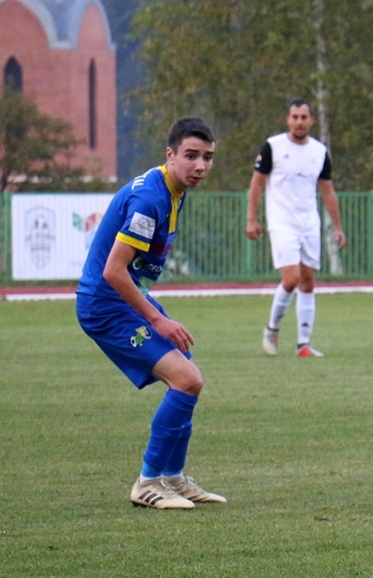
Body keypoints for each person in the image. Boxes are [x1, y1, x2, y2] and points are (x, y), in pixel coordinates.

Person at [76, 117, 226, 510]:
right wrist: (158, 318)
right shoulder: (150, 200)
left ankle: (173, 478)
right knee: (186, 378)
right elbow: (113, 271)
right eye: (191, 156)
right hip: (105, 305)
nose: (200, 166)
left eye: (208, 157)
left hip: (123, 298)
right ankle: (147, 482)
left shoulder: (173, 189)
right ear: (170, 155)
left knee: (188, 373)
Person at [246, 99, 347, 358]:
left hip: (309, 223)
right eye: (295, 117)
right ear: (288, 119)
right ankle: (272, 329)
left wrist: (338, 227)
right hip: (282, 222)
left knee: (308, 282)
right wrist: (252, 219)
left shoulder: (319, 151)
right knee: (291, 279)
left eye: (304, 117)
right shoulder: (273, 146)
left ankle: (303, 344)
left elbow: (327, 190)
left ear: (311, 120)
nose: (299, 122)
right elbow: (257, 183)